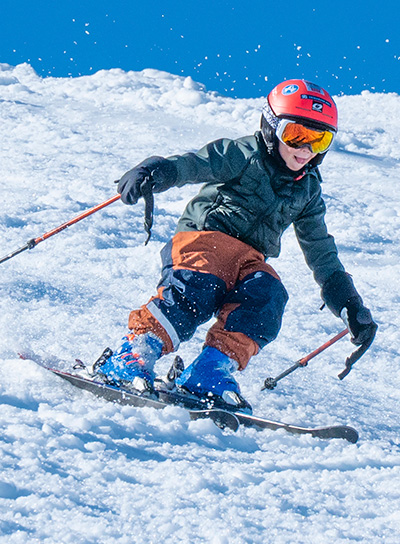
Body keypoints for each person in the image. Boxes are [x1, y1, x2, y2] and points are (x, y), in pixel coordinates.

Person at [92, 79, 377, 412]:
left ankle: (210, 372)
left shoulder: (308, 190)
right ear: (272, 128)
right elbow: (195, 164)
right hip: (203, 242)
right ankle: (134, 354)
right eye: (296, 135)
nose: (305, 149)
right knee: (197, 287)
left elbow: (321, 252)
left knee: (267, 294)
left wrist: (349, 305)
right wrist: (157, 171)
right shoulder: (244, 154)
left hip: (248, 261)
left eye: (320, 139)